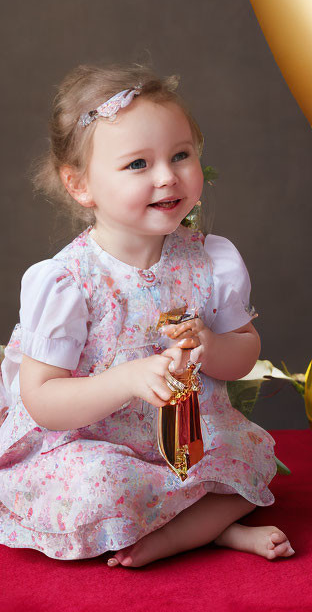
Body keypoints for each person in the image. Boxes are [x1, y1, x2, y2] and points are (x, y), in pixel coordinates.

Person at [0, 64, 293, 566]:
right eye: (138, 164)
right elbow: (44, 399)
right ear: (80, 185)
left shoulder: (209, 260)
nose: (167, 176)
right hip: (91, 442)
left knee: (247, 456)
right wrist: (128, 379)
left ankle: (181, 533)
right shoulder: (69, 283)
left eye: (181, 155)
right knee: (98, 486)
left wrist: (213, 346)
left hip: (185, 437)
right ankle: (199, 524)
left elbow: (243, 352)